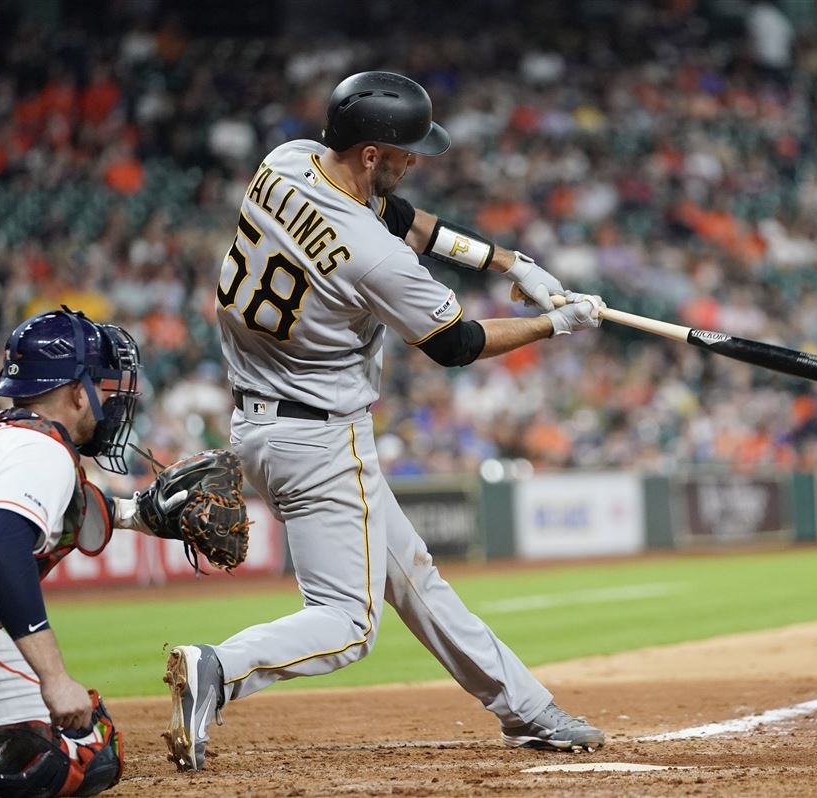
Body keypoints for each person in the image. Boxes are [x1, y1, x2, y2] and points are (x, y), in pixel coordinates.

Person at [163, 70, 607, 770]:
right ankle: (218, 669)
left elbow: (399, 218)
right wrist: (552, 323)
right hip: (321, 436)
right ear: (371, 152)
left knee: (414, 577)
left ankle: (527, 710)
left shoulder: (286, 162)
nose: (414, 161)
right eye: (404, 151)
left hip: (261, 421)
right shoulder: (372, 258)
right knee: (346, 626)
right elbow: (455, 344)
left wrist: (509, 261)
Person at [0, 308, 148, 798]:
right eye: (102, 386)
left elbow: (79, 514)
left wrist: (141, 513)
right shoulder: (42, 448)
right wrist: (54, 677)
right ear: (75, 391)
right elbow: (2, 546)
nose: (108, 401)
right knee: (89, 747)